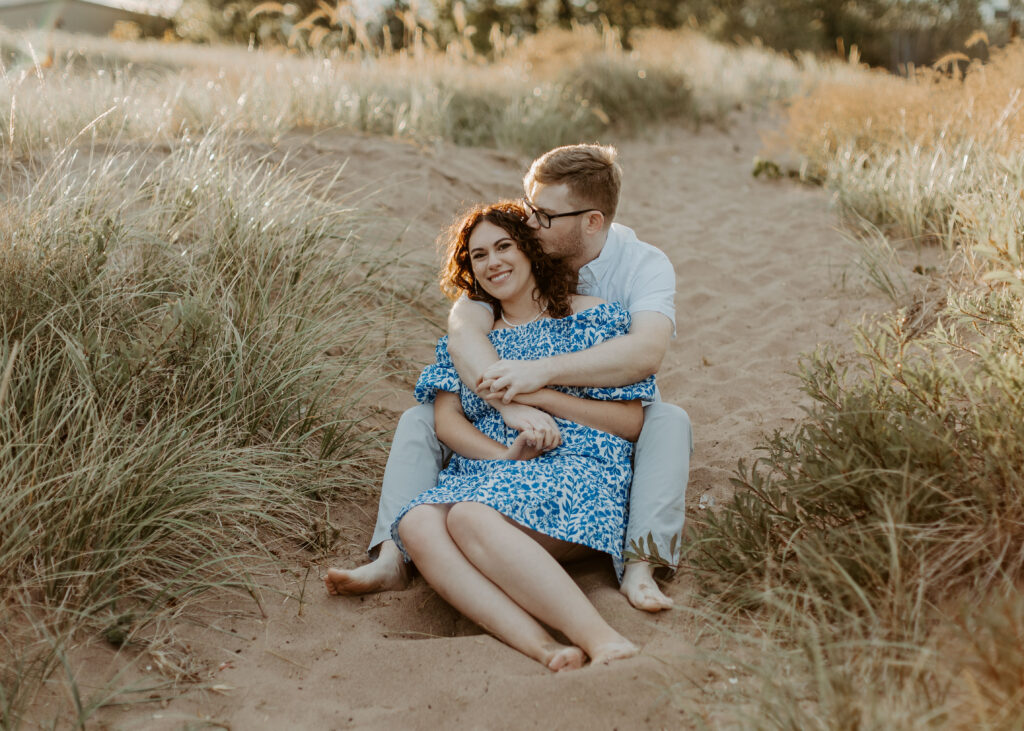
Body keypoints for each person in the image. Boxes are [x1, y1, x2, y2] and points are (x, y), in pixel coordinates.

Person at [326, 144, 692, 611]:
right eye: (528, 207)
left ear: (592, 221)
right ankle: (392, 556)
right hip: (508, 405)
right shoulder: (520, 249)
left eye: (544, 214)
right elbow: (463, 332)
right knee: (420, 418)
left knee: (670, 420)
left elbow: (645, 352)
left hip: (607, 402)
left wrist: (540, 377)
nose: (530, 222)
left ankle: (642, 563)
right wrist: (509, 403)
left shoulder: (644, 265)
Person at [393, 201, 652, 670]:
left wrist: (543, 394)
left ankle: (602, 638)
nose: (493, 262)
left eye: (504, 246)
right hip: (493, 472)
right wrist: (505, 456)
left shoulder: (591, 319)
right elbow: (447, 423)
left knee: (469, 517)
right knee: (417, 524)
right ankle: (543, 647)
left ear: (531, 249)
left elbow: (631, 422)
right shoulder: (471, 338)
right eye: (479, 256)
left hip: (578, 469)